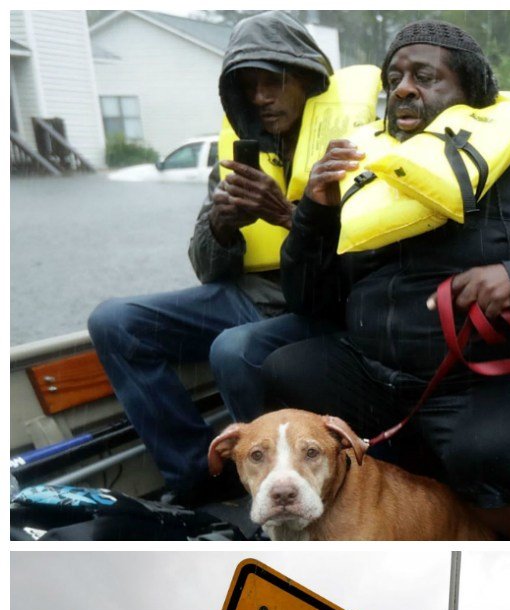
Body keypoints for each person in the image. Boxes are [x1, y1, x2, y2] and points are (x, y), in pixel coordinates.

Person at [262, 21, 510, 540]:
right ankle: (380, 514)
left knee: (491, 454)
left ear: (471, 94)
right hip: (386, 370)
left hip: (504, 376)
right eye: (394, 77)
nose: (403, 88)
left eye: (425, 76)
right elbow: (308, 299)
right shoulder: (368, 170)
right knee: (285, 370)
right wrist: (316, 211)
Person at [88, 12, 347, 505]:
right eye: (247, 86)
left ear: (308, 78)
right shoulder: (239, 155)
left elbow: (364, 262)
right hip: (246, 296)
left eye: (273, 81)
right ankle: (197, 477)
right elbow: (207, 268)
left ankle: (288, 481)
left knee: (232, 348)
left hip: (319, 307)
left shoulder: (348, 145)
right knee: (114, 322)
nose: (260, 97)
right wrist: (222, 226)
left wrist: (288, 214)